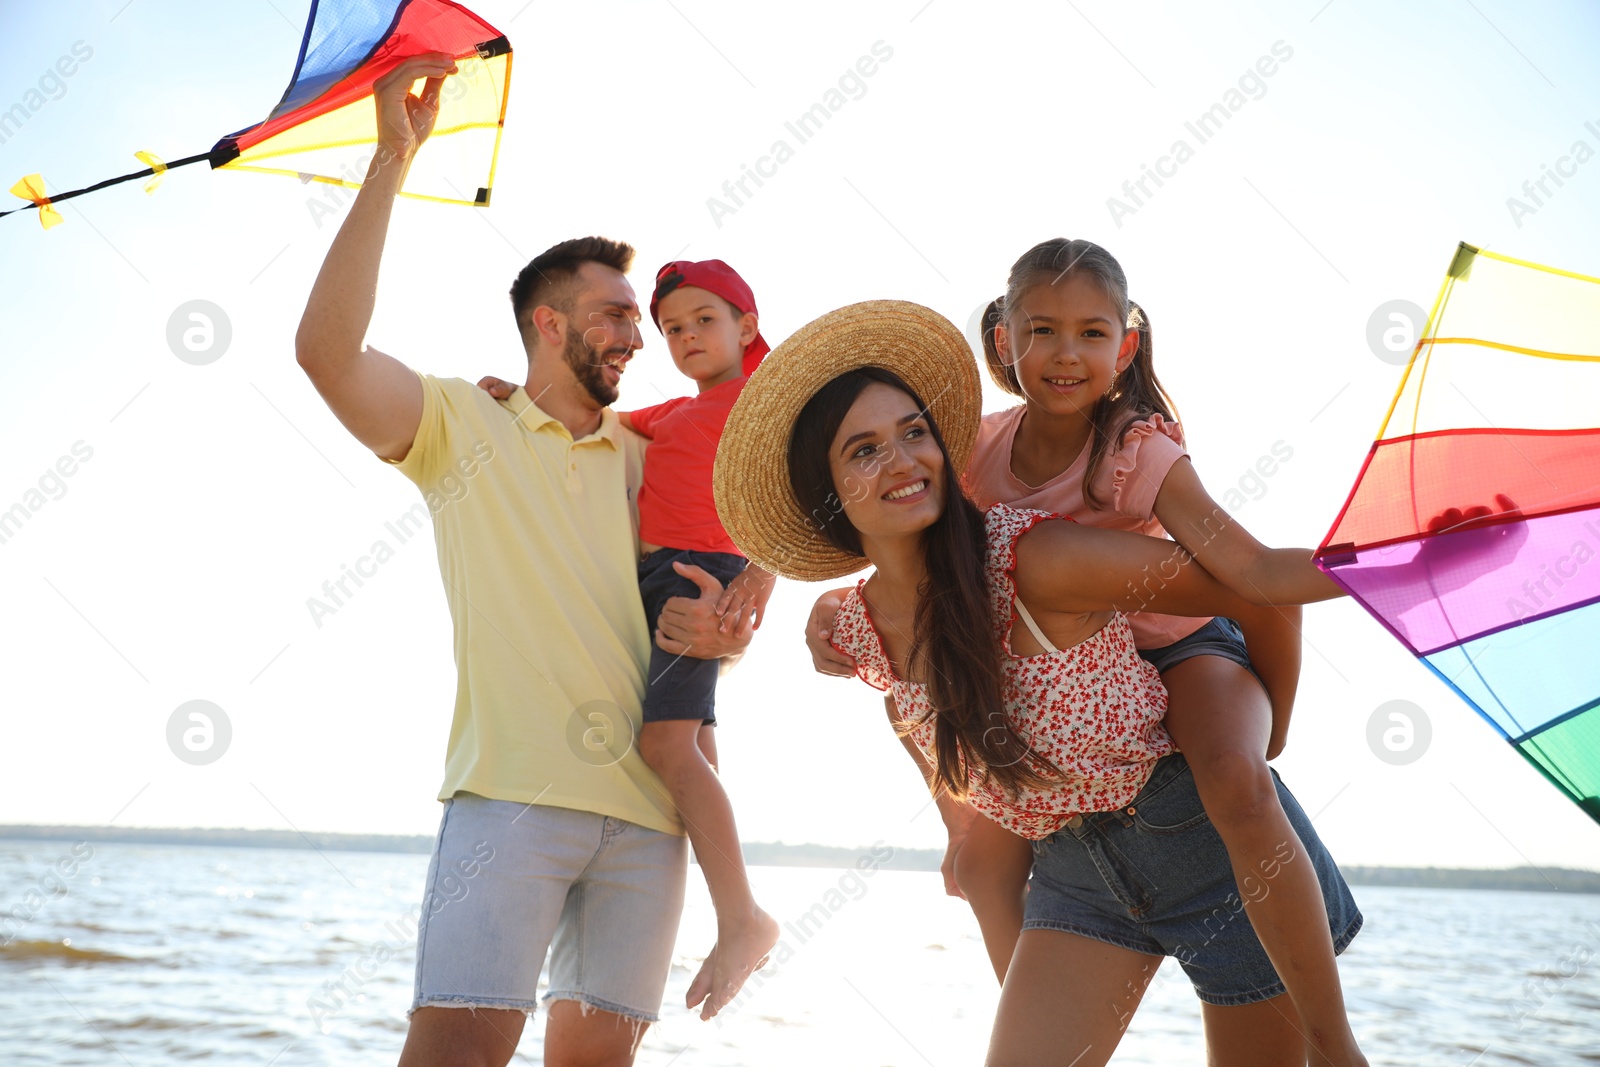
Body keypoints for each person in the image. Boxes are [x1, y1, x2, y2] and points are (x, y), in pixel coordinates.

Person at [710, 298, 1365, 1066]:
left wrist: (1273, 726)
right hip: (1074, 873)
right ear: (828, 496)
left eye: (914, 432)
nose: (902, 460)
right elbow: (905, 704)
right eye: (863, 450)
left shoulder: (1038, 559)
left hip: (1211, 844)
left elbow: (1258, 588)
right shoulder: (856, 629)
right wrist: (957, 824)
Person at [294, 56, 749, 1067]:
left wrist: (732, 621)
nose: (644, 334)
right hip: (510, 802)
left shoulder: (655, 454)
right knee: (455, 1047)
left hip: (651, 818)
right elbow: (325, 353)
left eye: (645, 315)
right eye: (618, 313)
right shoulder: (460, 421)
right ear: (549, 323)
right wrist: (390, 159)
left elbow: (712, 590)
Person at [481, 258, 781, 1019]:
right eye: (673, 328)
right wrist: (514, 400)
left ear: (746, 326)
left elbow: (804, 498)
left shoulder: (762, 403)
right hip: (657, 582)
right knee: (697, 751)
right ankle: (732, 905)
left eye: (704, 321)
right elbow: (595, 419)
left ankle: (743, 916)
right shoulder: (676, 413)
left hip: (698, 575)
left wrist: (758, 578)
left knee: (666, 748)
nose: (685, 338)